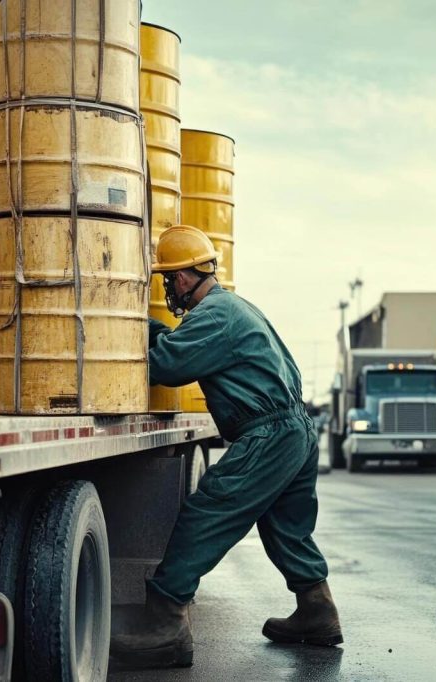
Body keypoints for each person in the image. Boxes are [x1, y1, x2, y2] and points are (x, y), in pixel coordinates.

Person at [110, 225, 342, 668]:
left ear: (180, 279)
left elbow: (166, 365)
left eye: (167, 281)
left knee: (206, 514)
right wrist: (150, 327)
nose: (168, 290)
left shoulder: (213, 316)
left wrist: (128, 332)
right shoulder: (232, 307)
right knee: (287, 527)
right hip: (294, 429)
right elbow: (180, 345)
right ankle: (317, 612)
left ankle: (165, 626)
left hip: (269, 434)